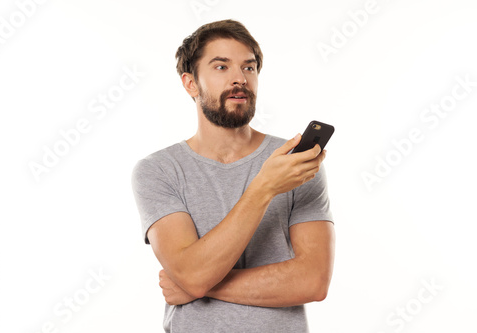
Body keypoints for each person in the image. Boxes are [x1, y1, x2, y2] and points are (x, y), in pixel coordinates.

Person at [131, 19, 335, 333]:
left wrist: (199, 286)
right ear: (190, 83)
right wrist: (265, 187)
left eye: (249, 68)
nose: (239, 79)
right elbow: (193, 272)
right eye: (221, 67)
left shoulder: (293, 163)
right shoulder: (158, 170)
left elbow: (313, 281)